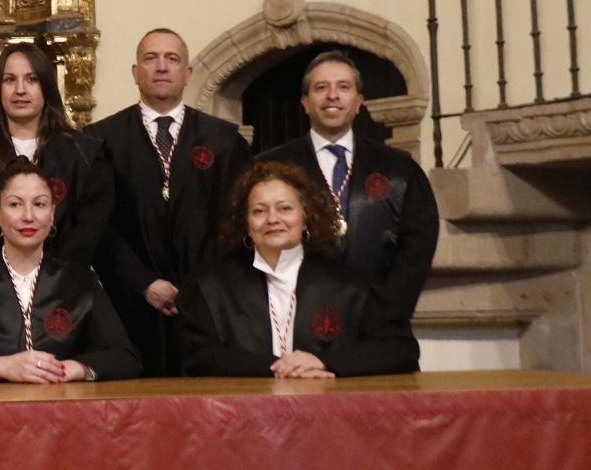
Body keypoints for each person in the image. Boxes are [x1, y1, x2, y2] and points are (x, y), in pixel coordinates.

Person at [88, 28, 252, 376]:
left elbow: (239, 222)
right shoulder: (100, 141)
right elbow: (97, 227)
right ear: (135, 72)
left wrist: (196, 288)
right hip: (130, 305)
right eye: (151, 59)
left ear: (187, 73)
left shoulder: (223, 141)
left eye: (172, 59)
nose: (161, 67)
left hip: (208, 305)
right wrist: (144, 284)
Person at [178, 160, 419, 378]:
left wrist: (324, 362)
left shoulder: (350, 285)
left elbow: (400, 349)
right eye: (259, 211)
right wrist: (277, 367)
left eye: (285, 208)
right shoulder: (212, 286)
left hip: (328, 412)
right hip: (242, 414)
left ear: (306, 217)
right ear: (246, 224)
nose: (272, 219)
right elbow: (196, 355)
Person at [257, 50, 440, 322]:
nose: (333, 96)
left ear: (358, 102)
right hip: (293, 324)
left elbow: (417, 248)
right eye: (321, 88)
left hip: (380, 327)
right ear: (306, 102)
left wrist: (385, 312)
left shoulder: (399, 170)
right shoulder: (269, 168)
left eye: (343, 87)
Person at [0, 160, 140, 383]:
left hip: (63, 409)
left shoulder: (80, 281)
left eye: (39, 204)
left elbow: (125, 357)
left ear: (52, 213)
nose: (28, 216)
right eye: (15, 204)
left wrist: (75, 369)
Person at [0, 42, 111, 268]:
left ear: (47, 87)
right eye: (9, 80)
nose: (20, 90)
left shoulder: (85, 155)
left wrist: (46, 285)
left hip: (64, 290)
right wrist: (1, 287)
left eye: (31, 79)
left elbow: (87, 236)